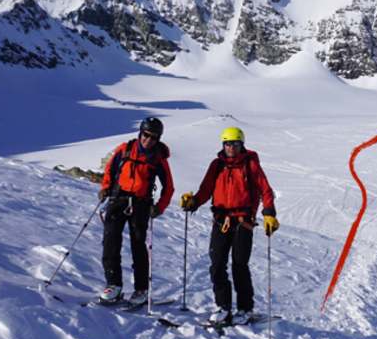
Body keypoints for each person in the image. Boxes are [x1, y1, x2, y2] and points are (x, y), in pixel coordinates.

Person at [180, 127, 279, 325]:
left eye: (234, 143)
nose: (230, 147)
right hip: (220, 220)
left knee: (239, 265)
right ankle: (223, 307)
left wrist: (269, 213)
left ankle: (245, 308)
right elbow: (206, 189)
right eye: (227, 143)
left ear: (241, 144)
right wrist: (194, 202)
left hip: (243, 221)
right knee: (217, 265)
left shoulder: (250, 164)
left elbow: (266, 190)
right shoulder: (217, 165)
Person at [97, 116, 174, 305]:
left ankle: (141, 289)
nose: (149, 139)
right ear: (140, 133)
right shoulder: (125, 149)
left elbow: (169, 187)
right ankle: (113, 285)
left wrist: (159, 207)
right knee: (110, 240)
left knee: (138, 245)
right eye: (146, 134)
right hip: (118, 199)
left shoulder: (158, 158)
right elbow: (110, 169)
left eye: (154, 137)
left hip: (141, 204)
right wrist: (105, 188)